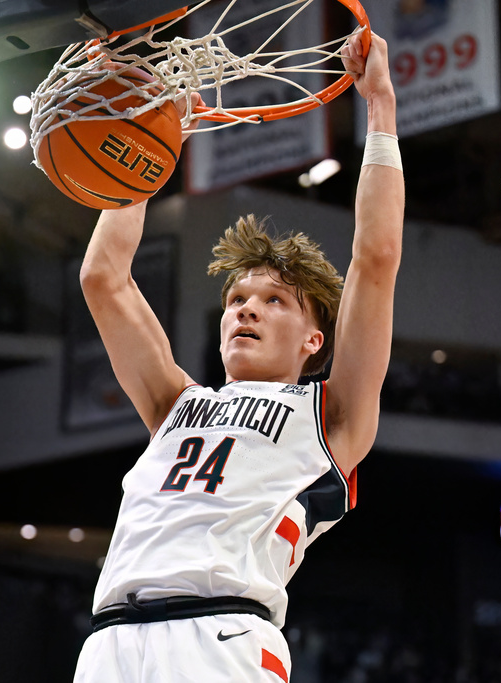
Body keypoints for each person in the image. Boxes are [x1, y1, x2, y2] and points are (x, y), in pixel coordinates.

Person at [73, 29, 404, 683]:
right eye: (237, 298)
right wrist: (147, 148)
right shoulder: (177, 402)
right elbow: (102, 277)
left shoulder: (330, 416)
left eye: (275, 301)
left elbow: (376, 257)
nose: (246, 309)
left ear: (315, 340)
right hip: (111, 641)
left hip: (221, 635)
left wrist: (382, 108)